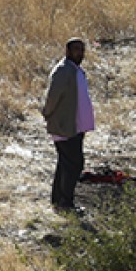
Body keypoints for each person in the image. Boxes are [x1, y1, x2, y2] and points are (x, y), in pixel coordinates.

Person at [42, 38, 94, 214]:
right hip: (65, 126)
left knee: (65, 163)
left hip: (74, 126)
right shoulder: (63, 71)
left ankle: (59, 200)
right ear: (68, 51)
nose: (80, 53)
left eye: (82, 50)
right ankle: (66, 203)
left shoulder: (75, 70)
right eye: (76, 50)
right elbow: (52, 96)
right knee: (74, 164)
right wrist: (47, 113)